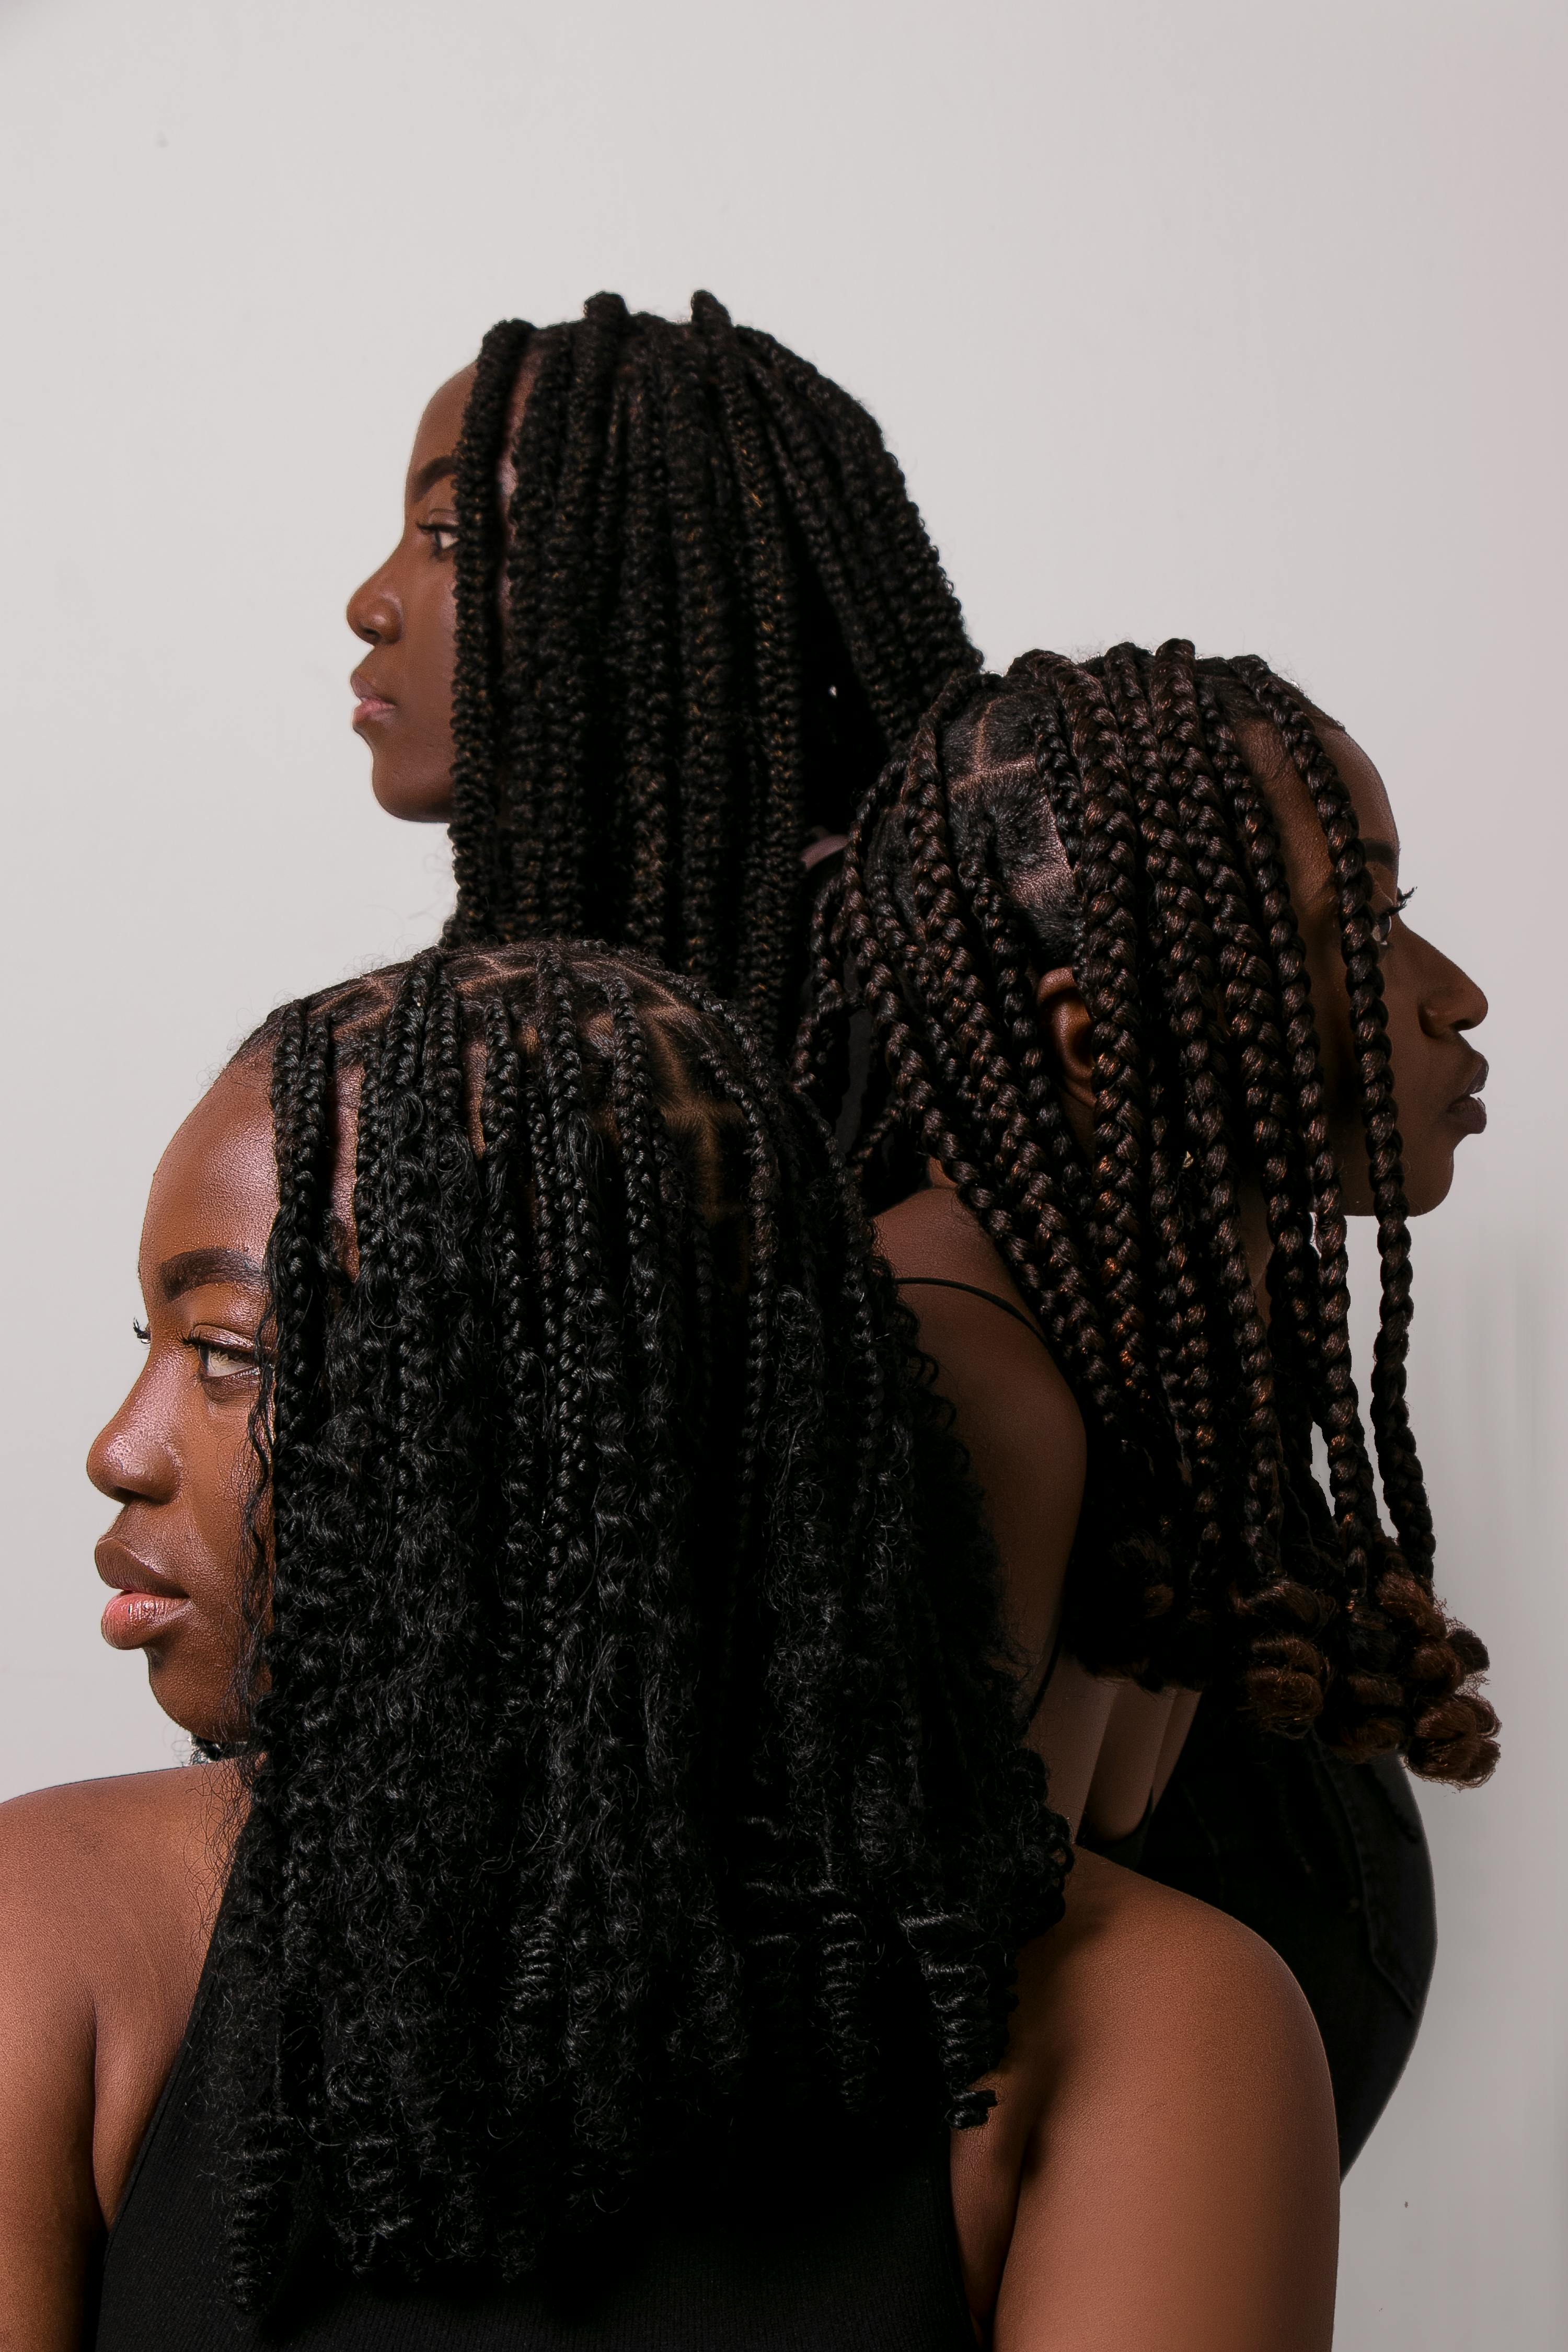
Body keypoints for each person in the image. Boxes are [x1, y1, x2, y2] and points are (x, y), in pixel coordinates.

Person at [0, 942, 1337, 2350]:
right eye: (147, 1343)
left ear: (563, 1426)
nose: (118, 1448)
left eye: (228, 1354)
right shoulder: (63, 1932)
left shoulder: (1157, 2030)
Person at [798, 640, 1498, 2163]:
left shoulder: (1142, 1356)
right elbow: (927, 2120)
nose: (1453, 998)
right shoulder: (956, 1378)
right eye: (1361, 923)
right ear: (1101, 1039)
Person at [346, 292, 977, 1052]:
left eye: (447, 535)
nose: (368, 606)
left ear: (647, 583)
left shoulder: (890, 976)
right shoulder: (552, 966)